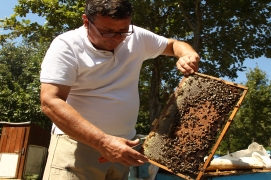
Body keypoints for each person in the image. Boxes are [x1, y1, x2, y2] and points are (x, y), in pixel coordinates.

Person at [40, 0, 200, 179]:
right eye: (107, 31)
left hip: (122, 150)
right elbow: (50, 101)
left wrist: (187, 54)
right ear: (86, 21)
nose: (117, 38)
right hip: (77, 147)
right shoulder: (66, 45)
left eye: (123, 30)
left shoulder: (136, 36)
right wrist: (103, 142)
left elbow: (173, 45)